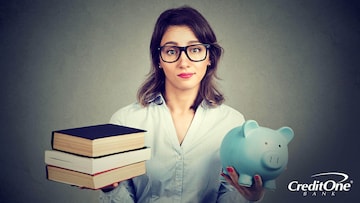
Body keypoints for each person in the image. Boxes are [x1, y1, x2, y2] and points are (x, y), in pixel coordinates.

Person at [99, 6, 264, 203]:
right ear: (158, 59)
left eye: (195, 49)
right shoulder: (125, 121)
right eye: (171, 51)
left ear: (210, 57)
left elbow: (229, 194)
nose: (184, 62)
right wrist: (109, 188)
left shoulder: (232, 123)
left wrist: (250, 197)